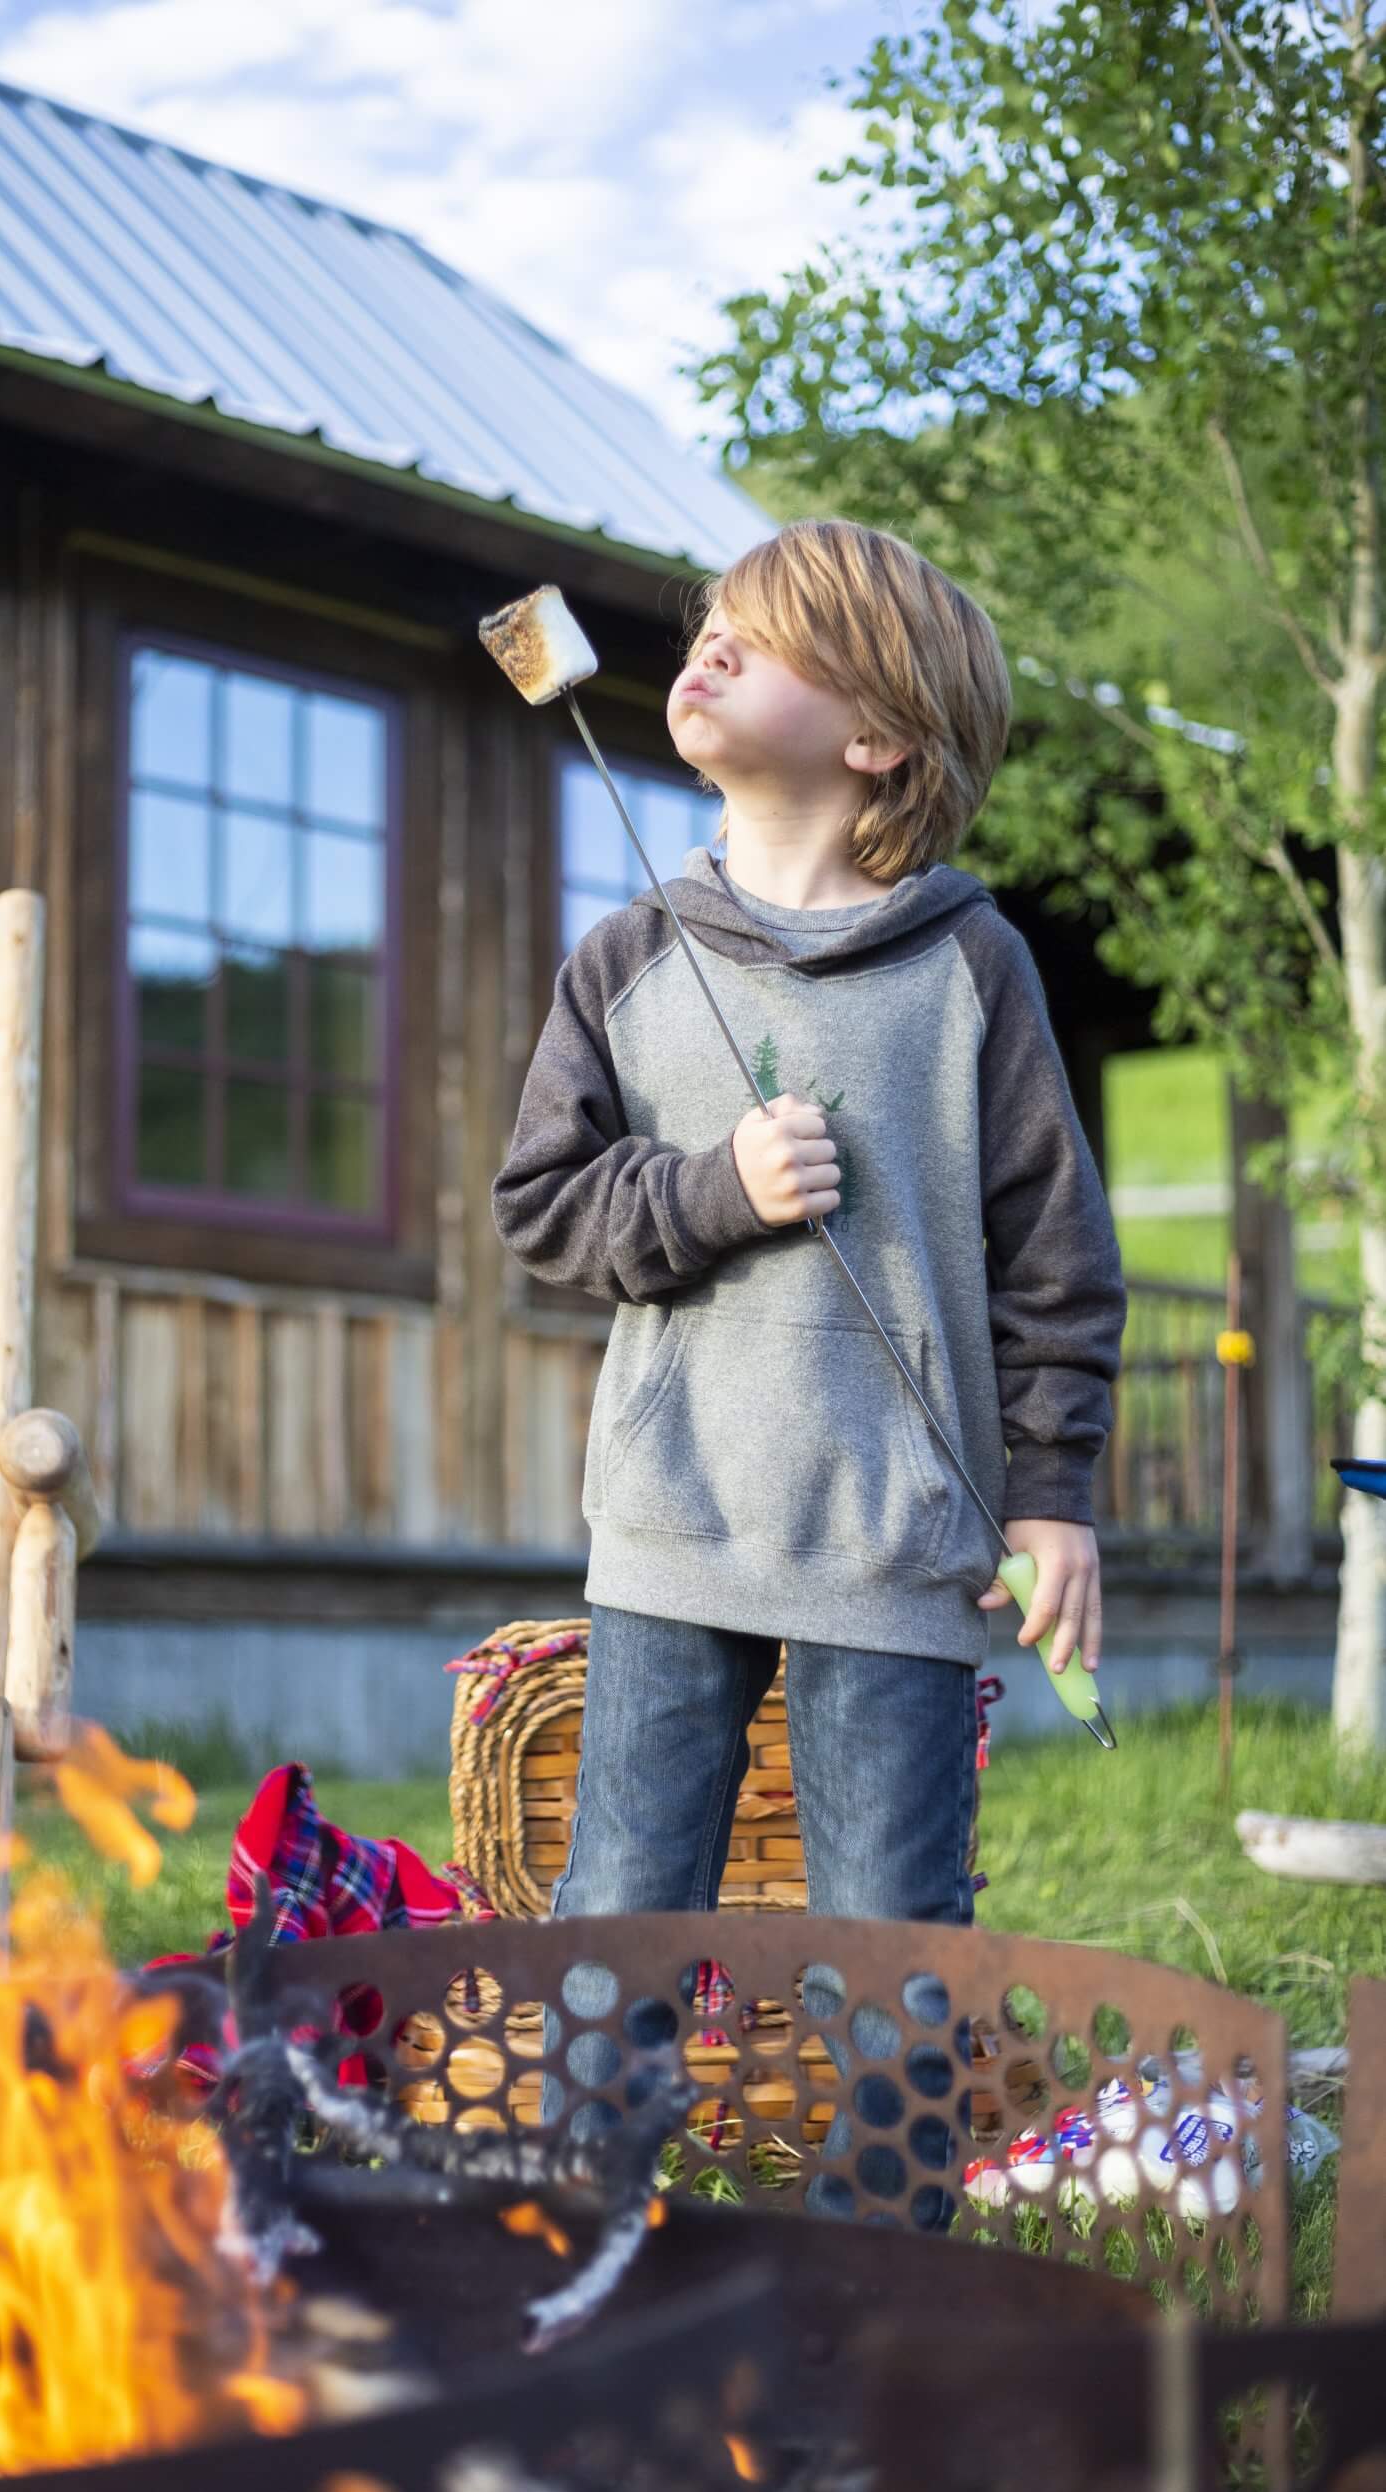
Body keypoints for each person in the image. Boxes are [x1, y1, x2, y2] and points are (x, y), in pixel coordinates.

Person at [490, 518, 1127, 1927]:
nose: (714, 641)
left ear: (881, 739)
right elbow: (540, 1207)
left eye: (772, 638)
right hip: (673, 1516)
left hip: (900, 1538)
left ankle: (885, 2167)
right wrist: (718, 1190)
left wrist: (1052, 1493)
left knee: (890, 1940)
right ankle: (594, 2162)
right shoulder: (627, 959)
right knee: (620, 1919)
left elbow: (1058, 1261)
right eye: (714, 621)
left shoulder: (973, 967)